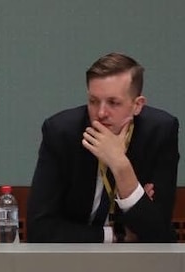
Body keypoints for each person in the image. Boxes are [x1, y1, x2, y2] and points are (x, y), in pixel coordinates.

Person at [28, 53, 180, 243]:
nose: (100, 113)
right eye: (93, 101)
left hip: (140, 265)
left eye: (113, 103)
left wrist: (120, 165)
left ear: (137, 105)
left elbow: (159, 235)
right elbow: (39, 230)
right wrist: (116, 236)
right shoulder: (62, 133)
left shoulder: (160, 132)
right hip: (74, 262)